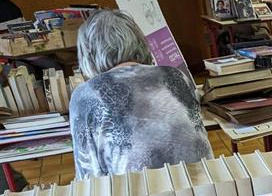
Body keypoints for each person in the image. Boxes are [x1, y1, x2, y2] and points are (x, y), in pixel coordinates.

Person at [69, 9, 213, 180]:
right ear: (139, 41)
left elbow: (88, 176)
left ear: (89, 53)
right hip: (202, 187)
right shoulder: (177, 76)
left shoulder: (86, 95)